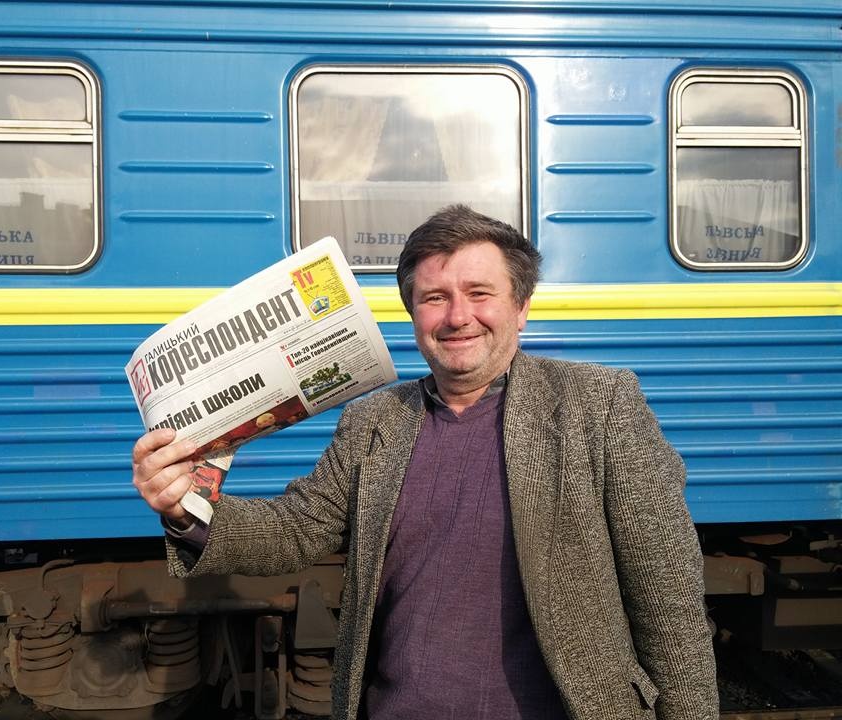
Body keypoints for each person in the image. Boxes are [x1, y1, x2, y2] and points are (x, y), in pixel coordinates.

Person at [132, 204, 719, 720]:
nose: (457, 316)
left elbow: (667, 597)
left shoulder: (598, 404)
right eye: (435, 298)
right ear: (413, 314)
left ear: (521, 307)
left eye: (479, 293)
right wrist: (185, 509)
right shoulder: (374, 420)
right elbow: (296, 529)